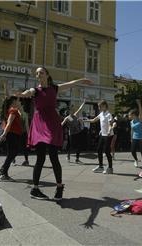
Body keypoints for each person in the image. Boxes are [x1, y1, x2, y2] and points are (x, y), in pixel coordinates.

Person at [15, 66, 92, 200]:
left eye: (41, 72)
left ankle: (59, 187)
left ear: (47, 75)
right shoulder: (36, 90)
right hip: (39, 124)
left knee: (53, 156)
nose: (38, 75)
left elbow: (70, 84)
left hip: (51, 123)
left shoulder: (54, 88)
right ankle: (35, 189)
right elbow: (27, 92)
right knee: (40, 158)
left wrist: (81, 80)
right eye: (37, 73)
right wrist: (20, 94)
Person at [0, 96, 22, 181]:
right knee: (12, 153)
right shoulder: (13, 110)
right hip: (12, 134)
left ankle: (3, 169)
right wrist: (4, 134)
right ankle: (4, 174)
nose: (19, 102)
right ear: (13, 102)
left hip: (13, 134)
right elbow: (9, 123)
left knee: (13, 153)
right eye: (18, 100)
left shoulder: (12, 110)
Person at [85, 100, 114, 174]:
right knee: (99, 150)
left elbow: (111, 124)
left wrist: (109, 130)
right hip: (102, 134)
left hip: (108, 135)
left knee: (107, 151)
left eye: (100, 106)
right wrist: (84, 121)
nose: (99, 108)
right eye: (98, 106)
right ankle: (101, 167)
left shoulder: (109, 114)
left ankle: (110, 168)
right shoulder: (101, 114)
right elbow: (93, 120)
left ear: (104, 106)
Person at [61, 99, 86, 164]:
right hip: (71, 134)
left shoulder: (75, 115)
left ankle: (77, 159)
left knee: (78, 146)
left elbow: (80, 109)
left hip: (78, 132)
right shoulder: (67, 118)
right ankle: (68, 156)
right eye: (72, 110)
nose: (73, 110)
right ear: (69, 111)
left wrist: (83, 103)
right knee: (71, 146)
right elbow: (62, 124)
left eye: (73, 110)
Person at [129, 99, 142, 168]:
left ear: (133, 115)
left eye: (130, 115)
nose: (129, 116)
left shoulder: (140, 119)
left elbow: (140, 112)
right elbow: (132, 130)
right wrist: (131, 138)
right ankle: (136, 160)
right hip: (134, 137)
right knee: (132, 151)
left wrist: (139, 104)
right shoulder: (131, 122)